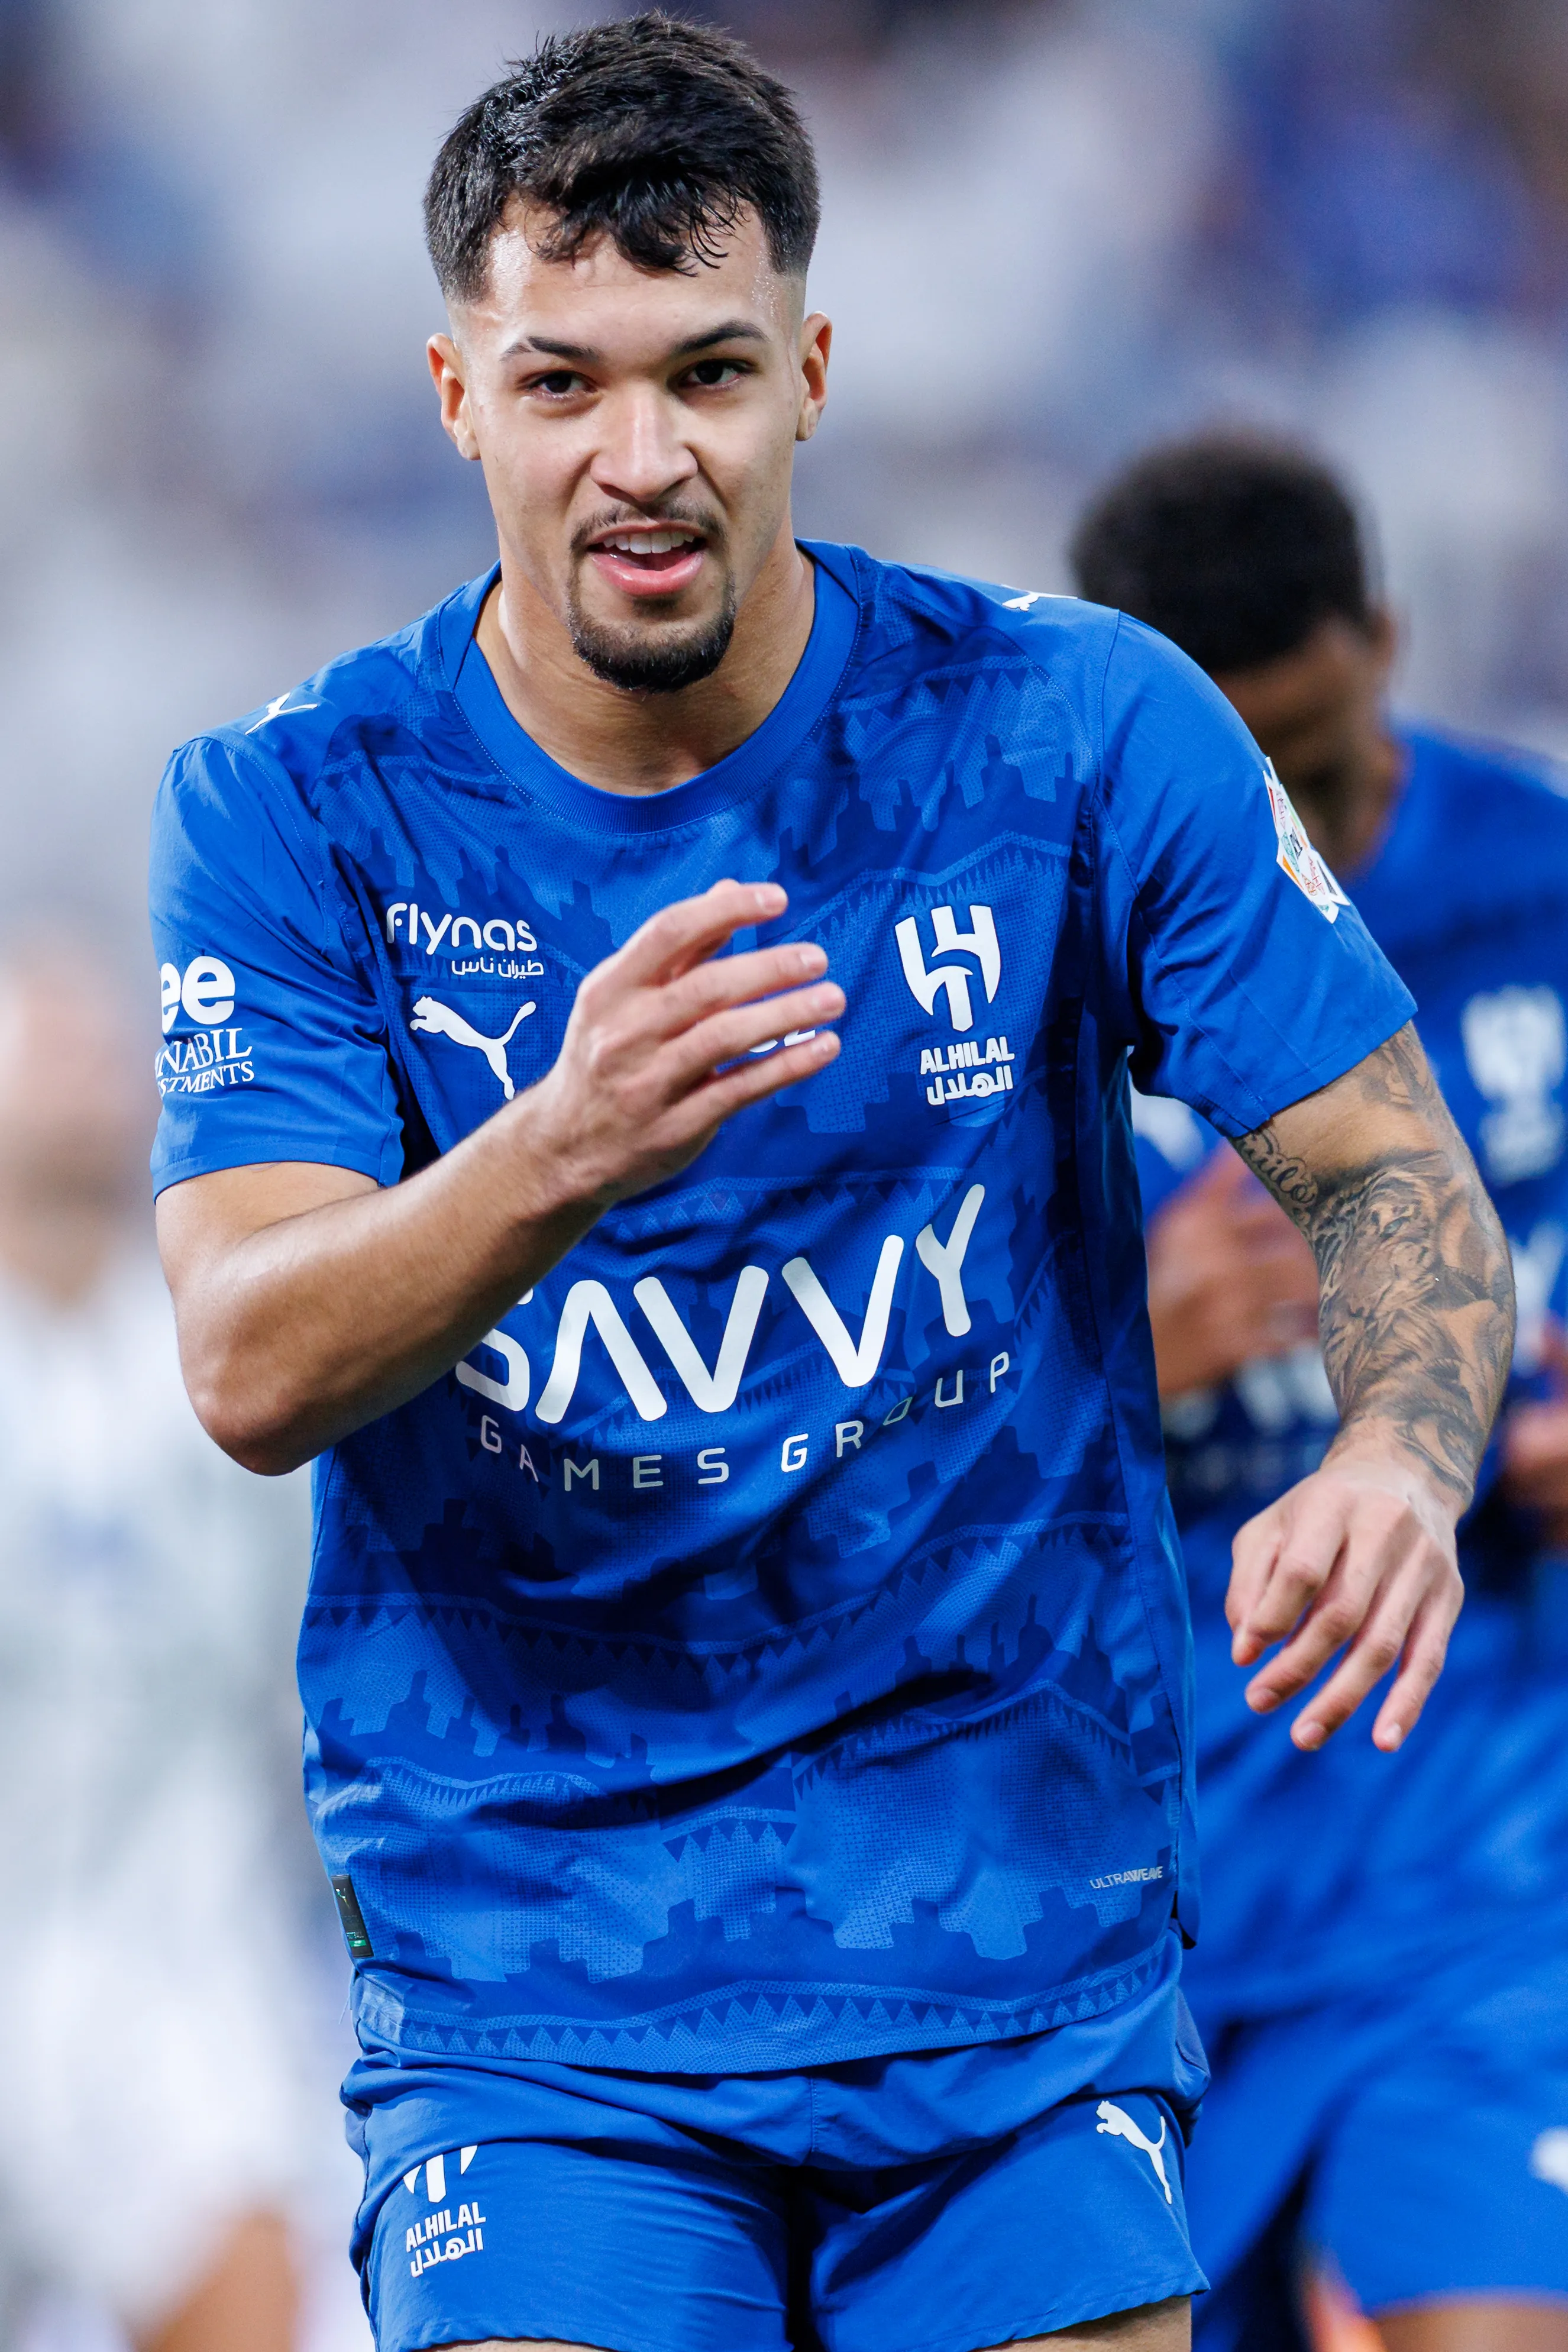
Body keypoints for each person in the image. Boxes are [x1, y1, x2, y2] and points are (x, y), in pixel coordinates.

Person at [148, 24, 1511, 2352]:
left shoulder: (1069, 728)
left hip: (1016, 1960)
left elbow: (1392, 1173)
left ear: (808, 370)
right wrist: (559, 1145)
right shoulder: (298, 810)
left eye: (706, 371)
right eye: (562, 383)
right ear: (458, 399)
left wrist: (1395, 1450)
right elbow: (249, 1360)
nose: (643, 457)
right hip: (539, 1990)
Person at [1072, 434, 1568, 2352]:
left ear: (1388, 641)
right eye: (1229, 786)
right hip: (1123, 1921)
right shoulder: (993, 969)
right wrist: (1119, 1339)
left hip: (1480, 1868)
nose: (1288, 836)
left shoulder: (1538, 888)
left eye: (1321, 764)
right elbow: (820, 1457)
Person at [0, 943, 322, 2352]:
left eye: (102, 1041)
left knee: (245, 2275)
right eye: (45, 1038)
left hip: (187, 1962)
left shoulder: (223, 1354)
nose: (86, 1064)